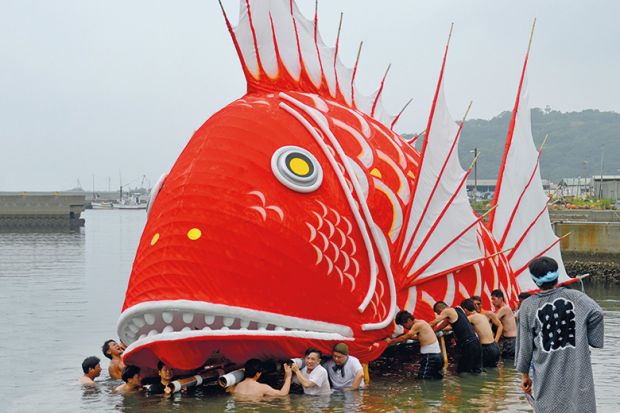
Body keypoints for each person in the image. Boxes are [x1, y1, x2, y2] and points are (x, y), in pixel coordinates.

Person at [516, 256, 604, 413]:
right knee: (580, 405)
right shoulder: (577, 297)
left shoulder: (528, 306)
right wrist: (589, 339)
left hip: (546, 373)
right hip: (577, 369)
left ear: (534, 280)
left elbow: (524, 345)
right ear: (557, 276)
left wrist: (524, 375)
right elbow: (597, 313)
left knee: (549, 406)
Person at [431, 301, 482, 374]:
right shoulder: (458, 310)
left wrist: (424, 330)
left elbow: (433, 322)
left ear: (440, 310)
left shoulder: (447, 311)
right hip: (476, 343)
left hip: (468, 345)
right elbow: (443, 325)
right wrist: (434, 331)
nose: (439, 315)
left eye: (438, 313)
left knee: (462, 372)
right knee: (476, 371)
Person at [391, 311, 443, 379]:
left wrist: (391, 341)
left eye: (404, 325)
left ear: (409, 320)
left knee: (422, 379)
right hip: (436, 356)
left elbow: (406, 336)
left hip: (431, 357)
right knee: (434, 378)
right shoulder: (422, 322)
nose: (404, 328)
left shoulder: (417, 325)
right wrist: (404, 337)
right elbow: (419, 338)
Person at [461, 299, 502, 368]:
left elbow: (457, 325)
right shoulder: (482, 316)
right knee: (493, 369)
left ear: (465, 310)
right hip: (494, 346)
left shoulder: (471, 317)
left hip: (486, 348)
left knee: (482, 370)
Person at [491, 289, 518, 358]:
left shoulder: (504, 309)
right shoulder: (504, 308)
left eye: (494, 299)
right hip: (510, 339)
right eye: (491, 299)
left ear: (501, 298)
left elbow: (493, 319)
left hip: (510, 340)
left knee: (508, 360)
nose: (492, 301)